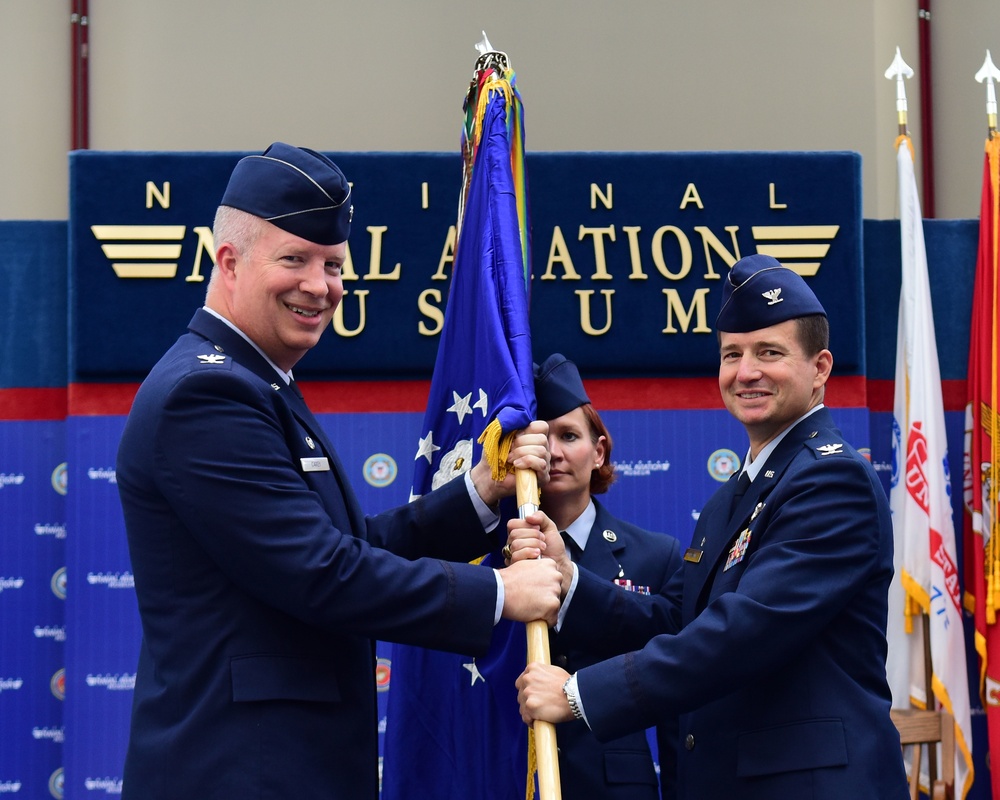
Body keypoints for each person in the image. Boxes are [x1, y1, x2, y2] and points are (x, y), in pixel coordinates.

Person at [114, 142, 562, 800]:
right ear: (228, 262)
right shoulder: (205, 396)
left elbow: (346, 550)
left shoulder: (257, 384)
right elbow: (321, 574)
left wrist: (479, 493)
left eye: (332, 264)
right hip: (241, 775)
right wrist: (498, 595)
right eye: (294, 259)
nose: (320, 286)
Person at [510, 254, 908, 799]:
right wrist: (567, 582)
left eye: (769, 352)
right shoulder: (737, 494)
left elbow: (742, 632)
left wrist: (581, 695)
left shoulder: (831, 479)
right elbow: (680, 621)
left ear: (820, 369)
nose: (746, 372)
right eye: (732, 355)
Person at [512, 353, 682, 799]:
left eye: (568, 435)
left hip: (615, 787)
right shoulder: (487, 553)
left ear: (599, 451)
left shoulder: (655, 554)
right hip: (506, 775)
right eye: (539, 438)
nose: (553, 452)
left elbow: (677, 671)